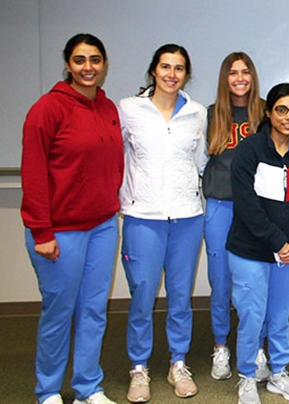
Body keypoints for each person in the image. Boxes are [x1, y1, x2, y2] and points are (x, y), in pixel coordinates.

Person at [21, 33, 122, 404]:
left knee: (94, 311)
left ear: (104, 63)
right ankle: (47, 391)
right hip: (60, 232)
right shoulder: (47, 109)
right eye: (80, 60)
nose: (88, 67)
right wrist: (41, 231)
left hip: (102, 227)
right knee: (59, 314)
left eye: (95, 59)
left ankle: (87, 388)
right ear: (67, 64)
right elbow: (32, 174)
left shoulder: (108, 108)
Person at [118, 44, 208, 402]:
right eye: (165, 67)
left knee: (181, 297)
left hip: (187, 217)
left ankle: (178, 363)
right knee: (142, 295)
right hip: (143, 217)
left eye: (179, 68)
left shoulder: (197, 113)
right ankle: (139, 368)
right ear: (153, 71)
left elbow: (200, 163)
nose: (172, 74)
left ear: (186, 74)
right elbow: (115, 155)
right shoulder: (129, 109)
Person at [228, 83, 289, 404]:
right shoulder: (249, 150)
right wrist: (279, 241)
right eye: (282, 109)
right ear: (268, 112)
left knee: (280, 315)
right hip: (249, 250)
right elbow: (247, 205)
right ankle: (247, 375)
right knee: (253, 315)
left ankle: (279, 371)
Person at [202, 52, 265, 381]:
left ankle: (255, 348)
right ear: (224, 78)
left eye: (245, 72)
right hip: (220, 206)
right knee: (221, 282)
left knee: (254, 283)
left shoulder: (266, 112)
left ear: (252, 77)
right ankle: (221, 346)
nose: (239, 78)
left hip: (254, 210)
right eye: (232, 73)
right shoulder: (211, 114)